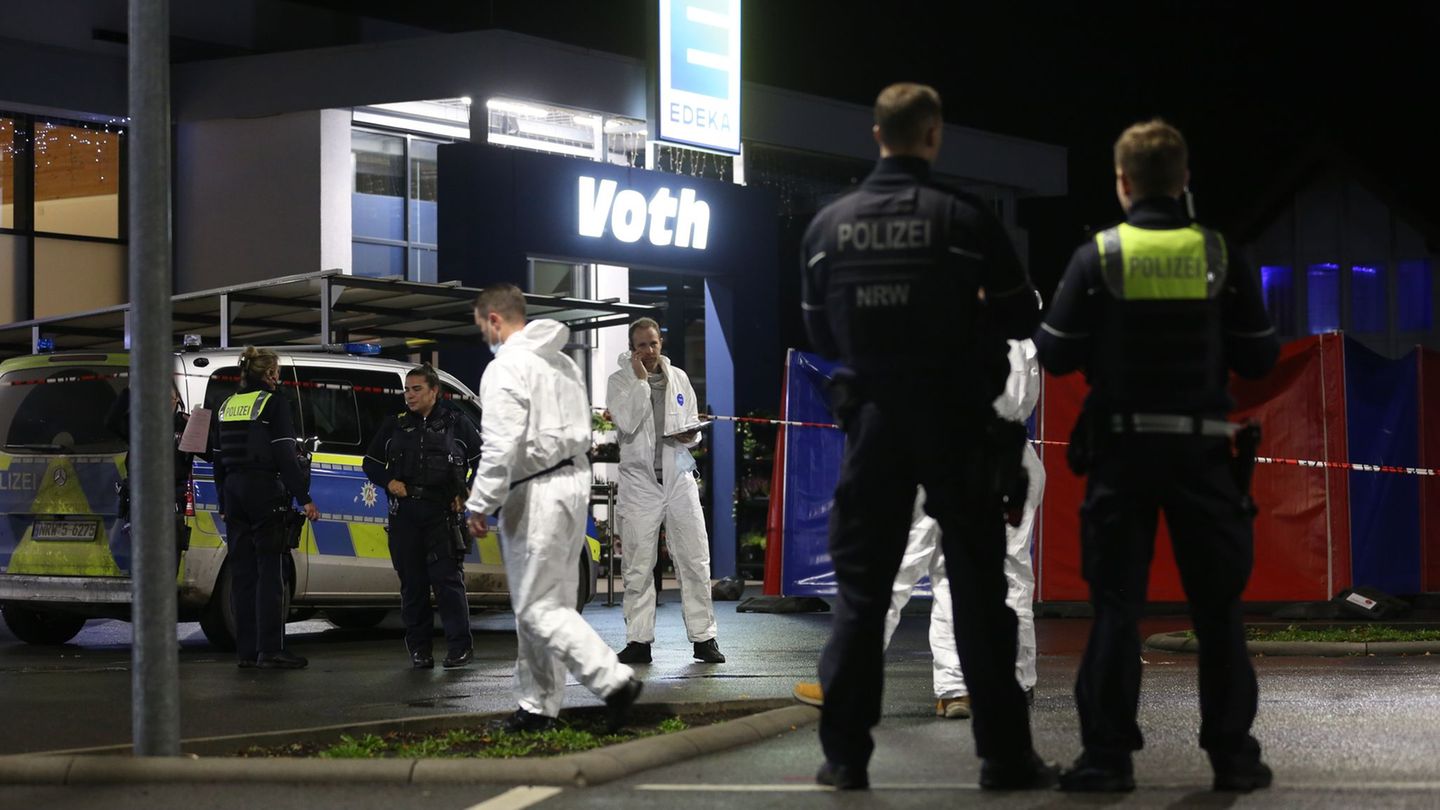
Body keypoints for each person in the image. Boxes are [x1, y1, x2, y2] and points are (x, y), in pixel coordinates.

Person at [800, 82, 1050, 791]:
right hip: (957, 420)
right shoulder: (964, 218)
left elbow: (821, 332)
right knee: (978, 589)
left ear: (877, 136)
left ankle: (845, 758)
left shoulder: (829, 224)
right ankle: (1004, 756)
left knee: (863, 591)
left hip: (876, 422)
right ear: (933, 136)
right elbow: (1020, 315)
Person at [1034, 119, 1279, 793]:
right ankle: (1233, 757)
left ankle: (1107, 759)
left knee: (1115, 606)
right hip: (1204, 456)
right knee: (1217, 610)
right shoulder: (1221, 256)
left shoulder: (1099, 257)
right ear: (1184, 180)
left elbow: (1053, 352)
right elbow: (1259, 356)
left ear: (1123, 183)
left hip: (1120, 454)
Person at [792, 339, 1044, 719]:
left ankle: (848, 681)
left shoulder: (942, 319)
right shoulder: (1019, 335)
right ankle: (991, 685)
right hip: (1008, 460)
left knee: (890, 572)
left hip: (944, 456)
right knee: (1000, 578)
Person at [464, 284, 643, 732]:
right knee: (555, 603)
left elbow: (500, 444)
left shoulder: (505, 368)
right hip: (572, 481)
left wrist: (479, 504)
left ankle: (613, 681)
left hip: (534, 490)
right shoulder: (561, 361)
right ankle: (537, 707)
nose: (482, 335)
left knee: (537, 608)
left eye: (480, 326)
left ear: (494, 320)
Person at [605, 317, 724, 665]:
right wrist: (641, 383)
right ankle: (639, 641)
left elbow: (690, 424)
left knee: (695, 559)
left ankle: (704, 639)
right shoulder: (619, 381)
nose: (648, 350)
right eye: (641, 345)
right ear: (632, 349)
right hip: (641, 485)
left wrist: (693, 436)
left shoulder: (680, 379)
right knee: (638, 566)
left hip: (678, 479)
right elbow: (626, 423)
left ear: (661, 343)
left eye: (653, 343)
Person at [364, 364, 482, 669]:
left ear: (434, 391)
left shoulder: (457, 422)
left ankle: (459, 647)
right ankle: (420, 649)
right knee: (413, 586)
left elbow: (485, 460)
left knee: (447, 583)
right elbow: (371, 463)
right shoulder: (395, 425)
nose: (409, 395)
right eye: (407, 389)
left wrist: (467, 492)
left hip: (441, 514)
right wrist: (389, 480)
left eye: (416, 389)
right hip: (405, 515)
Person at [211, 347, 319, 670]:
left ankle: (246, 652)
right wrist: (304, 497)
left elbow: (218, 458)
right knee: (271, 572)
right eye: (277, 373)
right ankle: (271, 649)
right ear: (270, 374)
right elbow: (285, 456)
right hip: (264, 492)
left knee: (243, 576)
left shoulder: (226, 404)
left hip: (233, 492)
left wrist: (223, 501)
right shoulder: (274, 404)